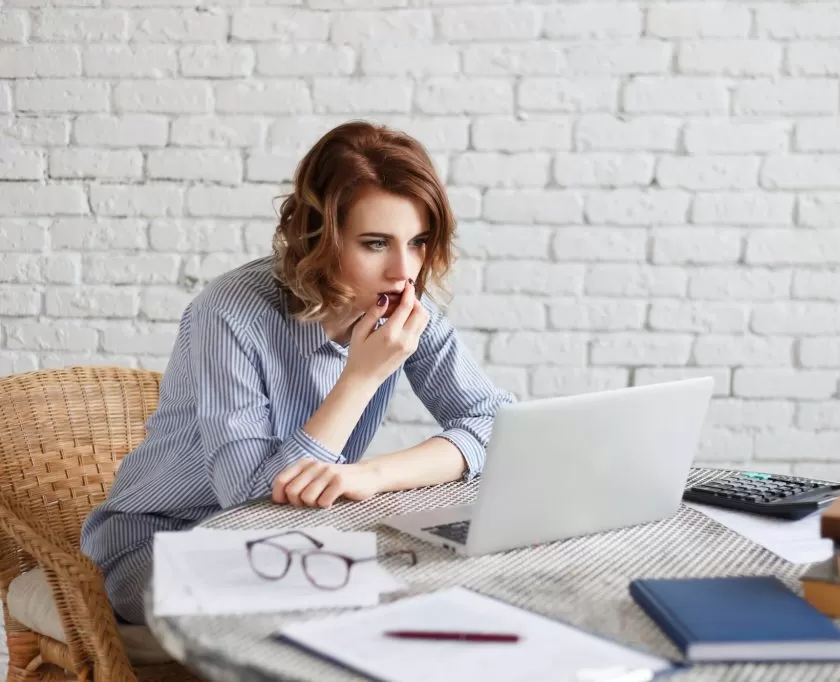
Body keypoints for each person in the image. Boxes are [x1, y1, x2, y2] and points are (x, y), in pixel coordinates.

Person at [81, 120, 515, 625]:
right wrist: (361, 378)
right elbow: (248, 501)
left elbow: (495, 424)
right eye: (375, 243)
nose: (404, 270)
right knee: (353, 608)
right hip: (164, 541)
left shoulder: (402, 305)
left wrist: (367, 475)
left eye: (417, 242)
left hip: (297, 537)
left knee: (441, 587)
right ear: (319, 236)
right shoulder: (229, 312)